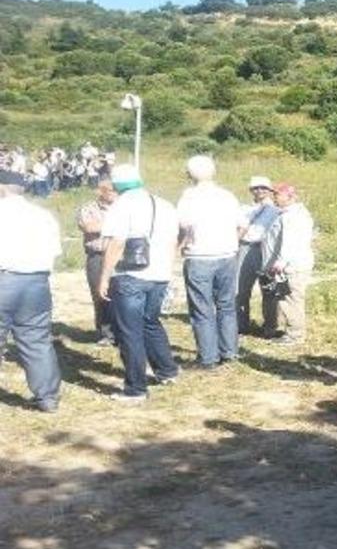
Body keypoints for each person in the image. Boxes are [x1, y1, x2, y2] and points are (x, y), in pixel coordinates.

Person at [98, 164, 181, 403]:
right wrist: (168, 272)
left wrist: (104, 277)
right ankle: (167, 370)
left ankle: (135, 388)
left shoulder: (122, 205)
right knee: (150, 322)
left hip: (130, 275)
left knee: (129, 332)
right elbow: (173, 241)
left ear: (116, 185)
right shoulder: (164, 204)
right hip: (159, 274)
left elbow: (116, 243)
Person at [0, 169, 63, 412]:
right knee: (37, 340)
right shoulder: (43, 215)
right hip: (37, 281)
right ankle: (47, 398)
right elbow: (55, 252)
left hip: (4, 277)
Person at [177, 155, 242, 368]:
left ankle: (208, 357)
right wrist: (232, 243)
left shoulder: (189, 197)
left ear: (190, 174)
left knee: (202, 308)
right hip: (227, 255)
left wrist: (180, 246)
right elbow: (242, 225)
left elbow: (183, 226)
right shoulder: (227, 196)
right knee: (226, 306)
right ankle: (229, 352)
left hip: (200, 256)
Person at [260, 183, 315, 346]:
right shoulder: (289, 213)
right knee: (288, 298)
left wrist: (281, 262)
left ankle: (295, 335)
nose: (274, 197)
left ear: (290, 197)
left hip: (291, 266)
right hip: (290, 263)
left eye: (277, 195)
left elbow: (290, 241)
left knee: (291, 299)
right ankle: (290, 331)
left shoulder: (292, 216)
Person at [235, 176, 280, 335]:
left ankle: (270, 326)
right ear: (251, 190)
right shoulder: (244, 208)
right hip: (246, 247)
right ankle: (241, 324)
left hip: (267, 249)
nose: (260, 191)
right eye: (256, 188)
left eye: (263, 188)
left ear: (270, 190)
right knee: (240, 288)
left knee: (269, 289)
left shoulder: (276, 209)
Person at [76, 176, 118, 345]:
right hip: (97, 257)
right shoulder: (88, 208)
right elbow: (89, 227)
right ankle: (106, 333)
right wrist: (118, 223)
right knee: (100, 295)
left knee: (120, 294)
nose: (115, 193)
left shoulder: (122, 207)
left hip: (119, 256)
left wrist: (105, 224)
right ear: (101, 192)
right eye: (111, 190)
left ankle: (122, 331)